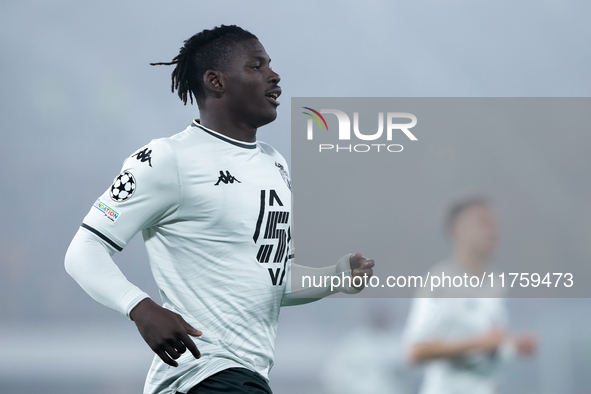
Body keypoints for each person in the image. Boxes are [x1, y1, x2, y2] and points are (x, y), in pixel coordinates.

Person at [64, 25, 374, 394]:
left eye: (270, 66)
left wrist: (334, 276)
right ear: (216, 81)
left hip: (242, 375)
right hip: (207, 374)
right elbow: (83, 251)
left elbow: (270, 279)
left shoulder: (275, 165)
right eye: (256, 66)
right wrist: (141, 308)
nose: (274, 76)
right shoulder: (168, 159)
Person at [402, 196, 535, 394]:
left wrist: (514, 344)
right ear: (456, 231)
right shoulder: (441, 281)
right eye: (483, 222)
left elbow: (489, 345)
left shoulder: (495, 282)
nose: (494, 230)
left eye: (495, 223)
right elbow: (416, 350)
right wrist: (480, 344)